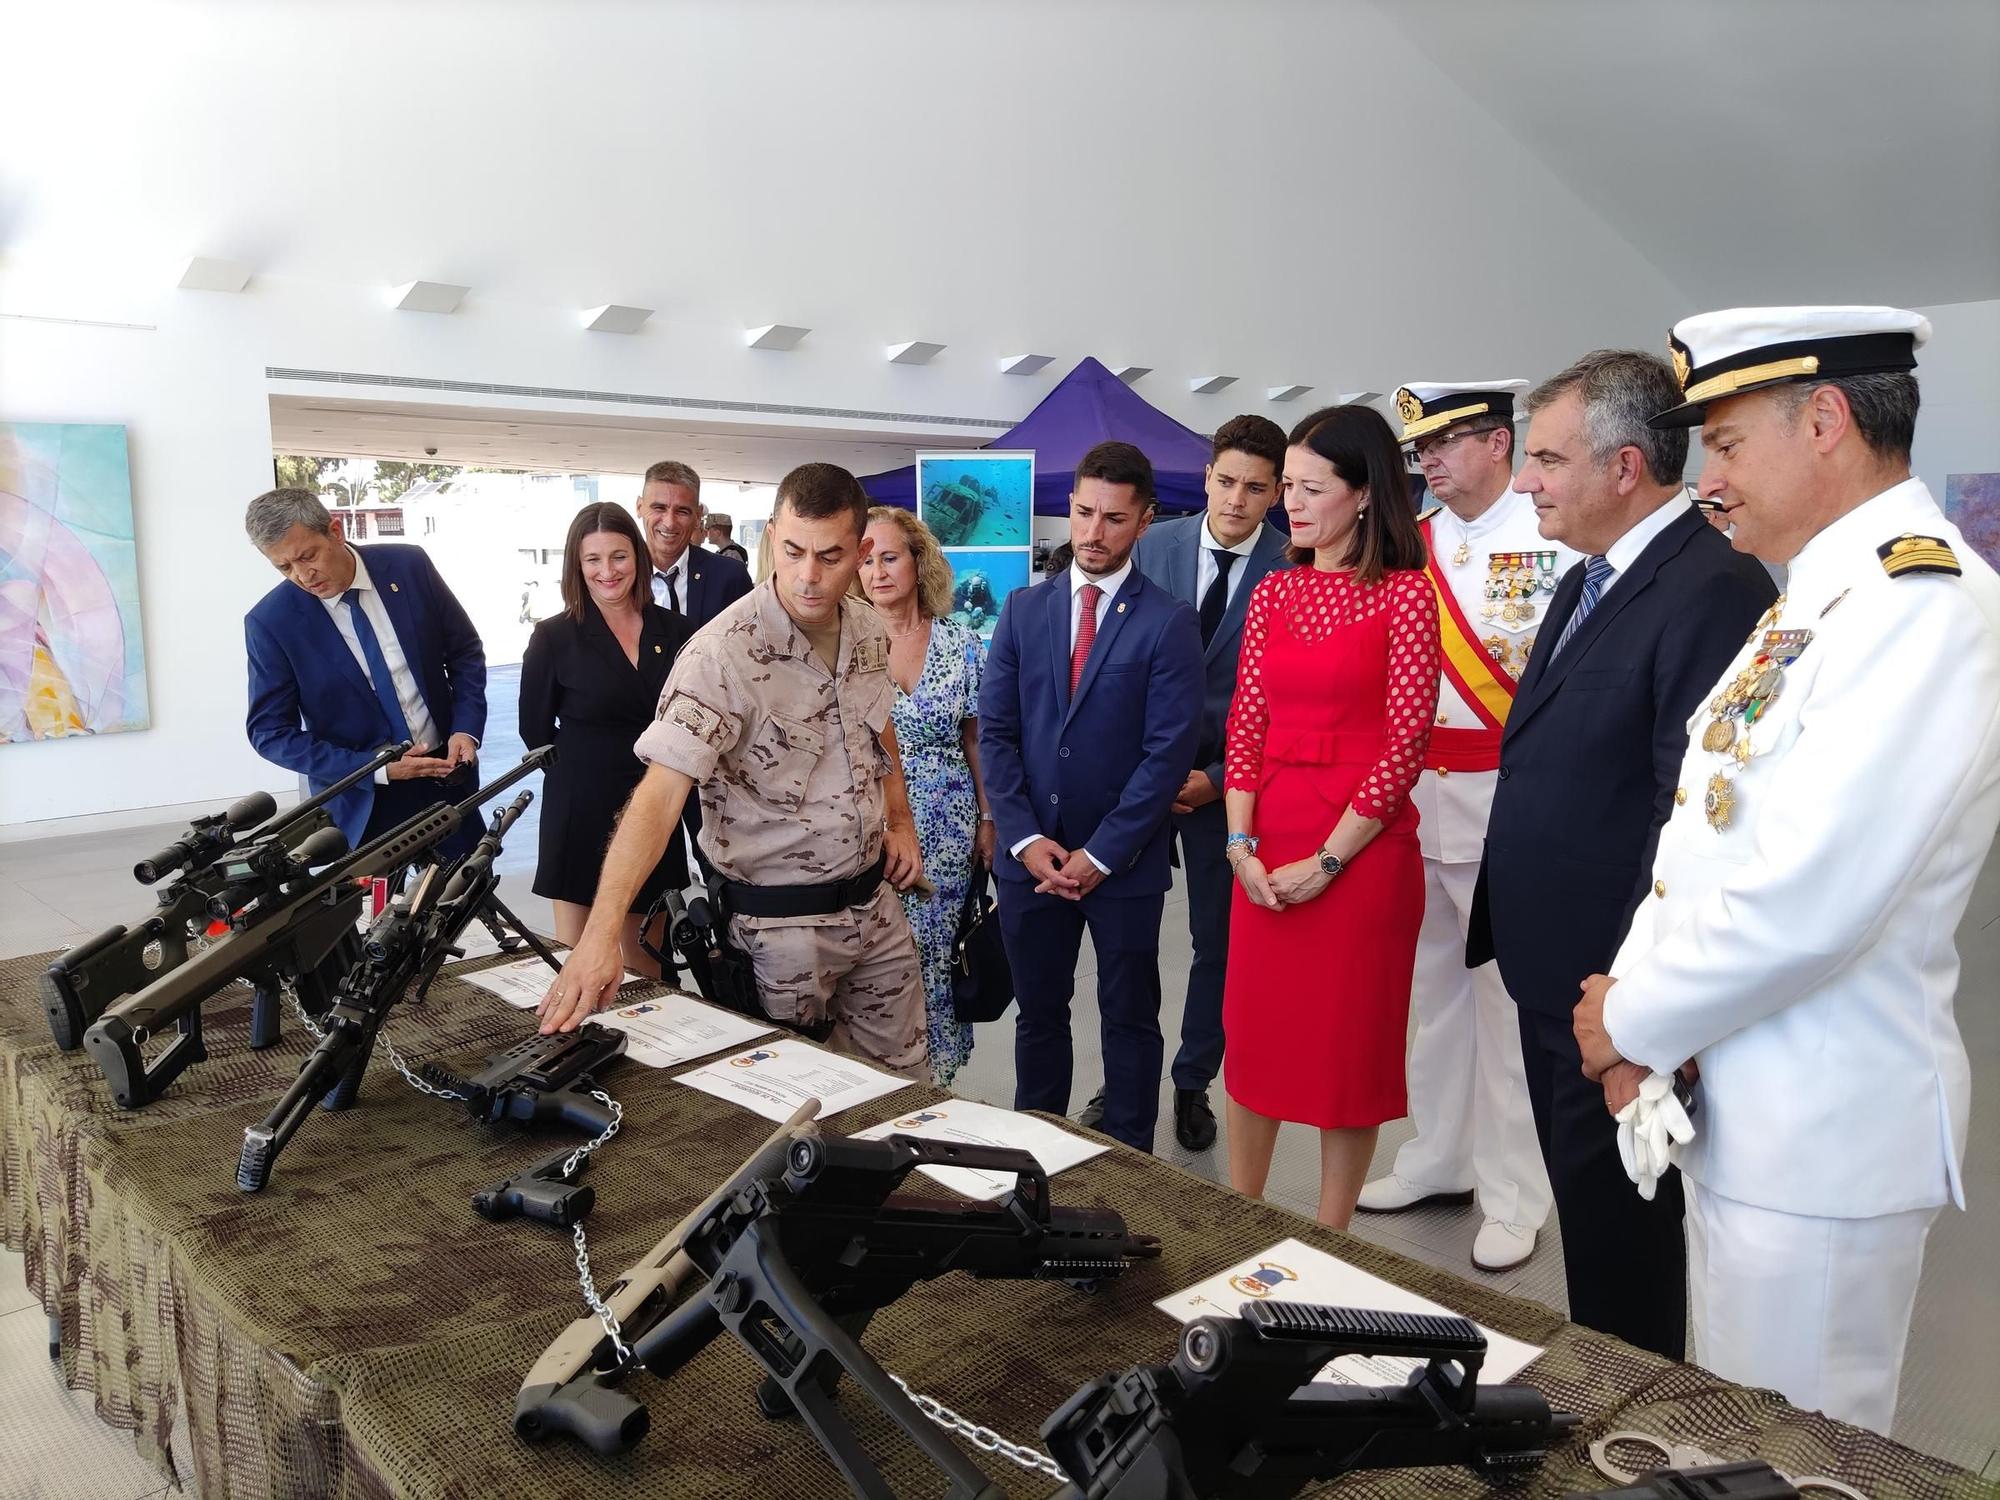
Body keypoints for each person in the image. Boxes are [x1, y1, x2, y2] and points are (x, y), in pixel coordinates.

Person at [1573, 307, 2000, 1430]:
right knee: (1735, 1438)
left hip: (1821, 1137)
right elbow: (1705, 837)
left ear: (1822, 421)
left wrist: (1632, 1020)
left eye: (1721, 443)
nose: (1704, 478)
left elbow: (1812, 899)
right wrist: (1638, 1019)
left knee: (1793, 1449)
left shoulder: (1919, 606)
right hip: (1748, 1110)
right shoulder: (1816, 595)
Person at [1465, 350, 1775, 1359]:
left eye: (1547, 459)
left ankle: (1636, 1434)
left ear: (1624, 468)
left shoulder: (1709, 588)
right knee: (1592, 1235)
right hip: (1552, 973)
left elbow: (1680, 815)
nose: (1524, 481)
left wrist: (1631, 1009)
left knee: (1625, 1252)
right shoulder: (1594, 575)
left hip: (1610, 993)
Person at [537, 463, 928, 1078]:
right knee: (793, 1112)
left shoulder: (868, 632)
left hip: (875, 909)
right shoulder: (723, 653)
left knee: (908, 1092)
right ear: (773, 532)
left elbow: (877, 728)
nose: (808, 576)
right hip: (780, 931)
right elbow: (659, 798)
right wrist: (600, 936)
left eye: (830, 556)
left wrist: (900, 820)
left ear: (860, 550)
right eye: (793, 550)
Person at [1355, 381, 1565, 1275]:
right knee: (1430, 988)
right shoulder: (1417, 545)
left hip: (1508, 795)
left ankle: (1515, 1190)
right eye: (1420, 450)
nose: (1429, 463)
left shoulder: (1550, 539)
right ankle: (1436, 1156)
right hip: (1416, 796)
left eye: (1446, 445)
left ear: (1497, 442)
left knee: (1507, 1001)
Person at [1220, 405, 1440, 1229]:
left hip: (1362, 850)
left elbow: (1405, 744)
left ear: (1364, 495)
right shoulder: (1275, 589)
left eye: (1312, 488)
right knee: (1256, 1036)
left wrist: (1329, 861)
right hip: (1267, 836)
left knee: (1348, 1048)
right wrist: (1241, 844)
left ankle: (1333, 1234)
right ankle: (1238, 1216)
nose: (1290, 505)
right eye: (1288, 488)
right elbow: (1246, 722)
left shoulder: (1408, 598)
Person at [978, 441, 1202, 1153]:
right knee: (1039, 1015)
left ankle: (1134, 1161)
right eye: (1082, 513)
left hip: (1124, 866)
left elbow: (1167, 754)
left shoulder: (1168, 621)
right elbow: (998, 735)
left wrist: (1103, 852)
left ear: (1144, 521)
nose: (1093, 533)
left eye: (1112, 518)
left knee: (1130, 1018)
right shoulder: (1022, 610)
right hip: (1030, 860)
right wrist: (1021, 838)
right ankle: (1036, 1154)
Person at [1133, 414, 1292, 1152]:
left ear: (1277, 493)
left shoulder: (1293, 568)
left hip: (1227, 786)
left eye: (1256, 488)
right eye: (1226, 481)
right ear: (1206, 478)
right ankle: (1130, 1077)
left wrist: (1220, 779)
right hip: (1137, 778)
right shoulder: (1154, 545)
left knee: (1215, 944)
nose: (1237, 499)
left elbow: (1288, 704)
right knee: (1123, 935)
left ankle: (1192, 1080)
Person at [243, 487, 486, 860]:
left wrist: (465, 729)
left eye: (308, 556)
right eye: (284, 567)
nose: (303, 576)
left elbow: (464, 652)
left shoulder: (409, 566)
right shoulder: (271, 622)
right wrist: (372, 769)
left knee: (467, 899)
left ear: (335, 532)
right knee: (383, 918)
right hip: (364, 800)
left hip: (447, 775)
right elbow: (270, 733)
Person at [519, 502, 693, 976]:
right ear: (577, 566)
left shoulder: (677, 631)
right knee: (573, 964)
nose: (606, 571)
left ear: (637, 557)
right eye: (592, 559)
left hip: (656, 807)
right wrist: (583, 771)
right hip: (580, 813)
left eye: (617, 556)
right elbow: (534, 732)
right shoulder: (554, 637)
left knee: (646, 967)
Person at [857, 505, 997, 1086]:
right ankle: (881, 1081)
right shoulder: (845, 646)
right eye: (864, 561)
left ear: (919, 562)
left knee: (939, 960)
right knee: (879, 963)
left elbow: (978, 739)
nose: (876, 572)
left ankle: (936, 1083)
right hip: (872, 832)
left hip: (950, 832)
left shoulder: (962, 645)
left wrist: (989, 819)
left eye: (889, 557)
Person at [637, 460, 752, 627]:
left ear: (698, 516)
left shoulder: (729, 577)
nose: (669, 522)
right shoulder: (617, 577)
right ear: (639, 507)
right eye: (659, 508)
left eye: (682, 511)